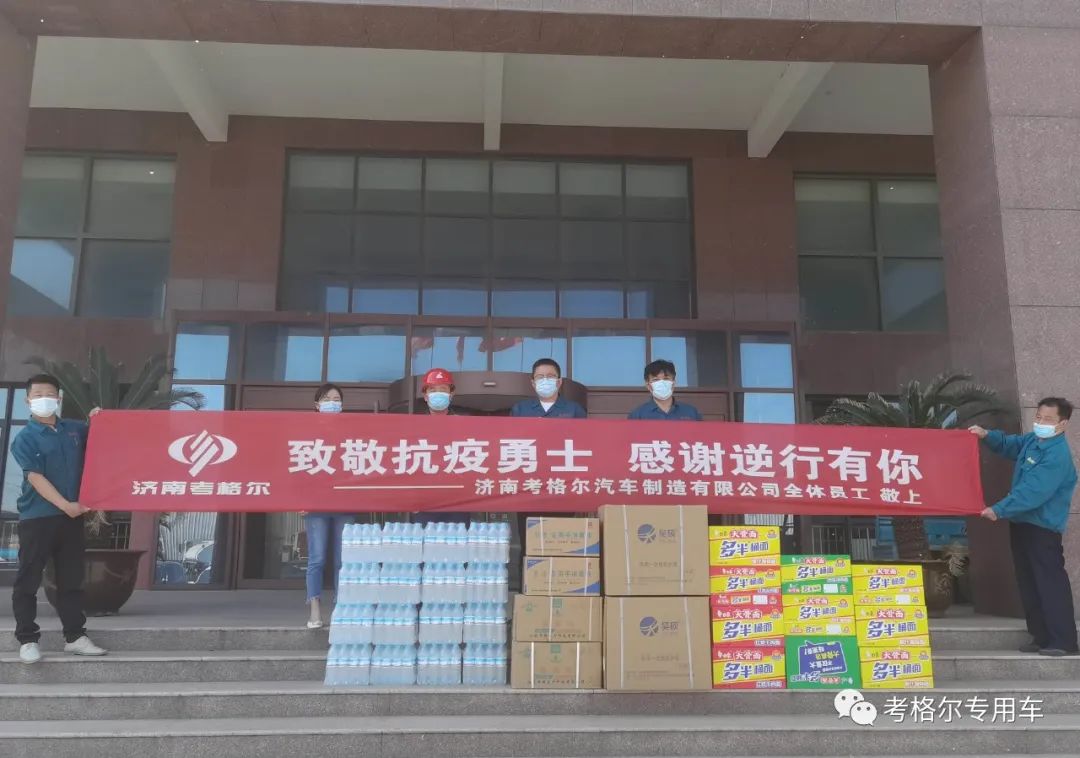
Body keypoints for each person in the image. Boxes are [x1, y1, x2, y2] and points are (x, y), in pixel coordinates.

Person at [970, 397, 1079, 656]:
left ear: (1063, 424)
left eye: (1048, 419)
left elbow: (1033, 492)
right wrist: (987, 435)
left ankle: (1064, 641)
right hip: (1022, 523)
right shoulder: (1033, 440)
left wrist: (999, 509)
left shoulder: (1057, 455)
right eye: (1039, 417)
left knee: (1049, 582)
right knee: (1029, 581)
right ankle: (1041, 636)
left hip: (1043, 528)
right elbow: (1011, 445)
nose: (1041, 422)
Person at [11, 374, 106, 664]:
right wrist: (66, 505)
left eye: (49, 394)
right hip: (38, 518)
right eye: (37, 394)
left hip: (71, 519)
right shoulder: (25, 438)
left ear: (59, 398)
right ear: (28, 400)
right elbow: (35, 477)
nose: (44, 399)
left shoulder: (74, 429)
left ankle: (75, 637)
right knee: (28, 580)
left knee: (71, 580)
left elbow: (104, 439)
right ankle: (27, 640)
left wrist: (100, 419)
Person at [301, 383, 352, 629]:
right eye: (327, 399)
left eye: (336, 399)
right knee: (317, 558)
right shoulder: (307, 432)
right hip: (316, 502)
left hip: (345, 502)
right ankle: (314, 607)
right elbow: (298, 469)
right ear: (317, 404)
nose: (332, 403)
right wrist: (298, 498)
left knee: (343, 560)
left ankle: (341, 607)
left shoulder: (351, 432)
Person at [510, 359, 587, 419]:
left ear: (559, 382)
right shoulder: (520, 409)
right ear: (533, 383)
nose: (545, 380)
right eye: (540, 377)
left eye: (550, 376)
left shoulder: (575, 409)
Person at [628, 359, 702, 421]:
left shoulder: (691, 413)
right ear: (648, 385)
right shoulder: (637, 415)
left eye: (666, 379)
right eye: (656, 380)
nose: (662, 383)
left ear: (673, 383)